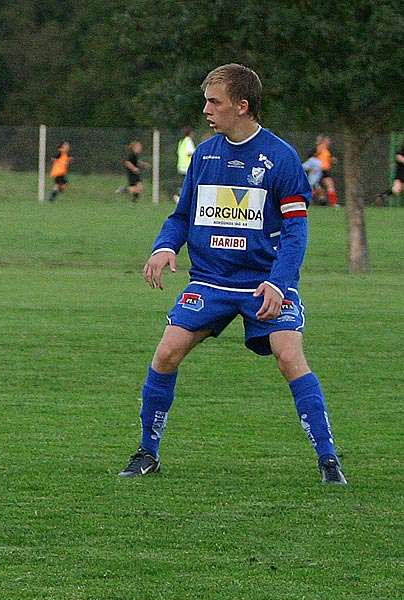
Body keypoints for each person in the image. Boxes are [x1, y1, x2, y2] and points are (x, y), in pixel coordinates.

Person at [121, 63, 345, 485]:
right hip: (210, 282)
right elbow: (182, 215)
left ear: (242, 106)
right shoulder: (205, 155)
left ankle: (328, 460)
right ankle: (147, 452)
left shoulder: (280, 159)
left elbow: (296, 231)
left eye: (214, 101)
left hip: (264, 281)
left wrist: (280, 282)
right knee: (166, 353)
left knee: (289, 356)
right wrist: (165, 246)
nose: (206, 109)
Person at [174, 126, 196, 205]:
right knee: (189, 183)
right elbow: (189, 152)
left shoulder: (181, 141)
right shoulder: (189, 141)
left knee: (184, 182)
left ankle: (179, 196)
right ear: (190, 133)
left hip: (181, 165)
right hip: (187, 165)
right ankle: (181, 196)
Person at [313, 135, 338, 207]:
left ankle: (333, 203)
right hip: (318, 170)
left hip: (325, 170)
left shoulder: (327, 150)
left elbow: (325, 159)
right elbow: (314, 157)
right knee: (318, 189)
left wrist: (331, 160)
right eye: (327, 140)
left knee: (330, 185)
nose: (329, 142)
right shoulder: (320, 148)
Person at [390, 140, 403, 204]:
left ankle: (382, 196)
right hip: (400, 175)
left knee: (397, 190)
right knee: (396, 190)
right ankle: (382, 196)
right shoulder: (399, 153)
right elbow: (400, 159)